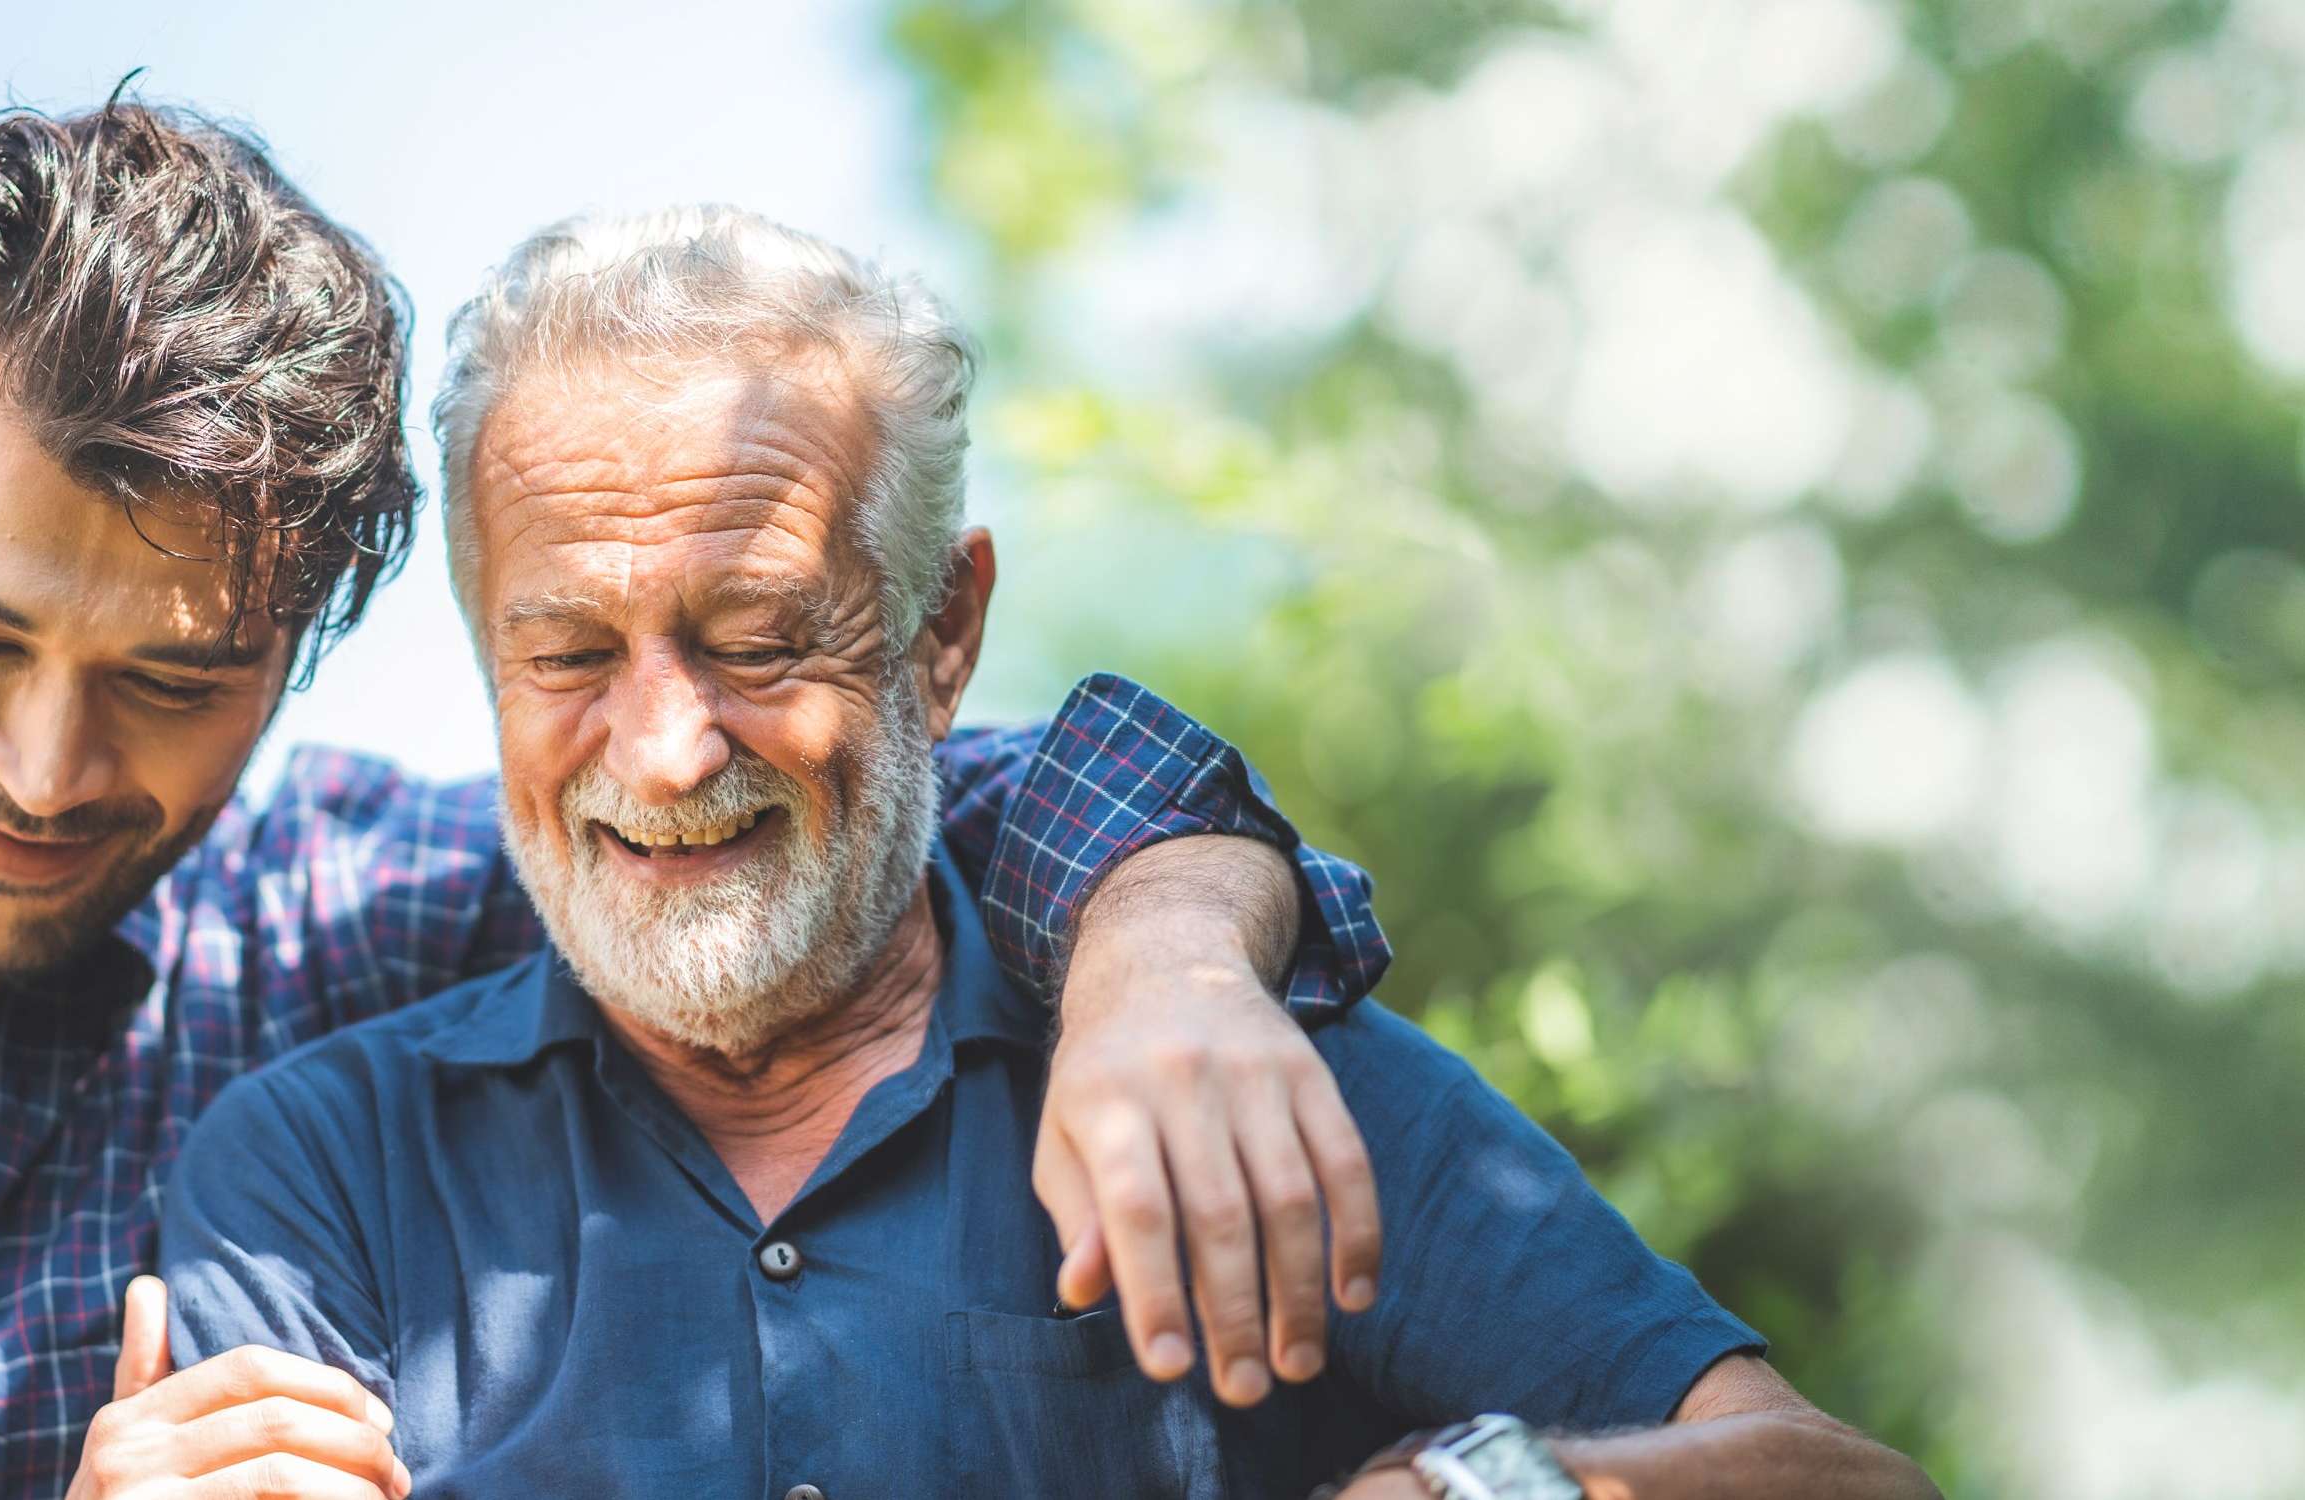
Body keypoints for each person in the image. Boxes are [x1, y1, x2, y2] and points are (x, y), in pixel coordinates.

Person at [0, 101, 1395, 1498]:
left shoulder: (363, 917)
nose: (49, 770)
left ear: (313, 645)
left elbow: (866, 784)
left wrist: (1167, 947)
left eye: (171, 679)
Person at [147, 205, 1940, 1499]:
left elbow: (1830, 1478)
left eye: (760, 635)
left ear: (941, 627)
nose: (666, 746)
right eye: (565, 653)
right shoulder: (321, 1176)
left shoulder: (1224, 1064)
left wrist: (1485, 1492)